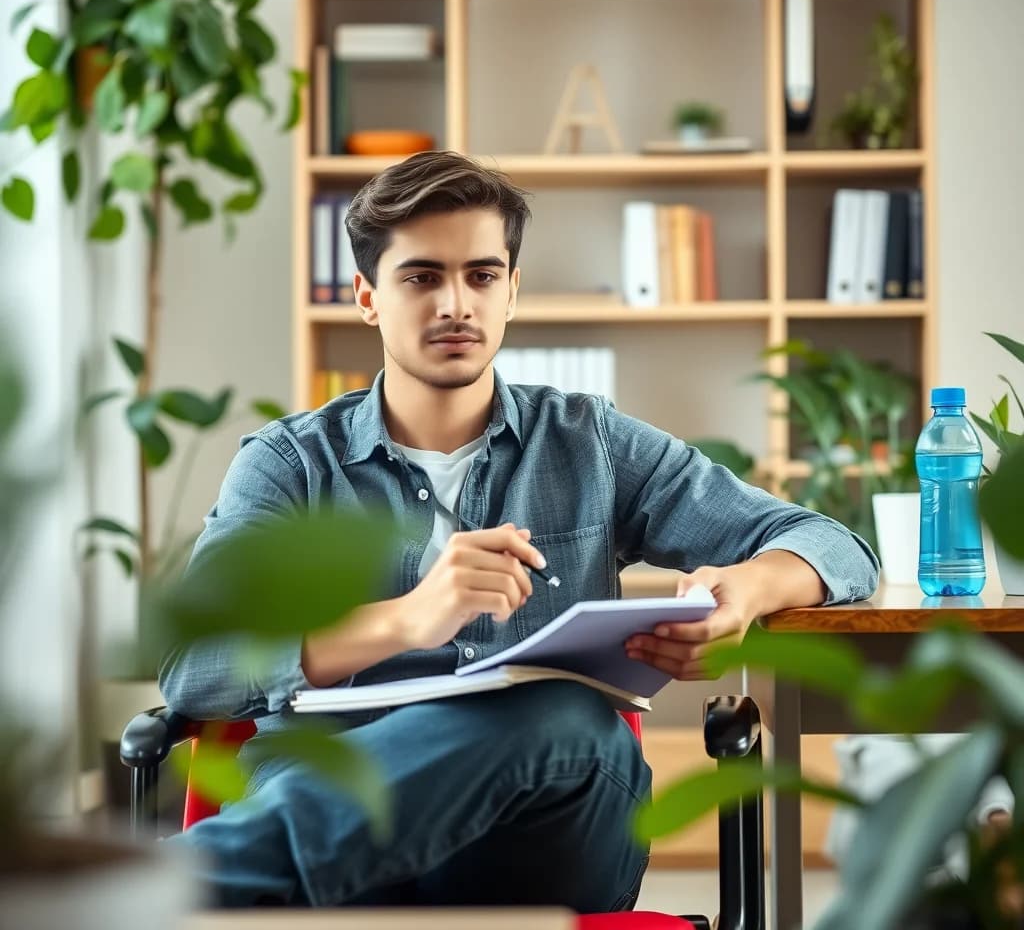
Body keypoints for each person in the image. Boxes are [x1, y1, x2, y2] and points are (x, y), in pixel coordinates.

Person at [160, 150, 879, 912]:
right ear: (367, 296)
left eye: (481, 275)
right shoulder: (292, 464)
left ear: (511, 292)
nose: (456, 304)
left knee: (567, 719)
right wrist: (404, 620)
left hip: (540, 837)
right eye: (421, 277)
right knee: (537, 724)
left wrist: (743, 594)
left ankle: (162, 891)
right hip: (341, 830)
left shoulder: (588, 442)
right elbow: (193, 667)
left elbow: (836, 546)